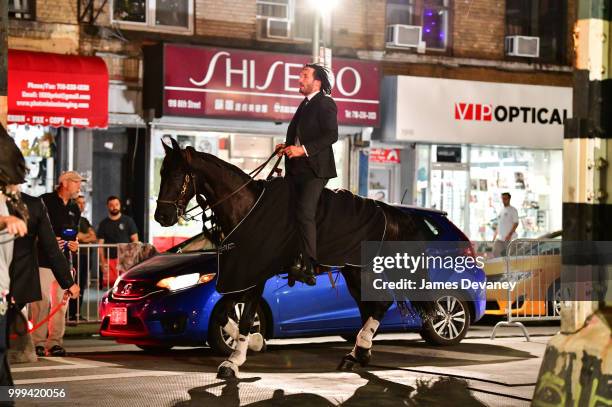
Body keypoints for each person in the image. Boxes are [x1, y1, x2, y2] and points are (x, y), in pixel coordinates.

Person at [275, 63, 338, 286]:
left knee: (304, 211)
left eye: (304, 75)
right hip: (297, 168)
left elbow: (332, 135)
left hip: (316, 169)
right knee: (283, 207)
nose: (299, 79)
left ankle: (310, 263)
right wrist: (287, 146)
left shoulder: (325, 103)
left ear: (317, 82)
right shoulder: (305, 104)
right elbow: (301, 136)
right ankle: (290, 256)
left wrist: (301, 150)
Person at [30, 171, 83, 357]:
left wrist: (75, 245)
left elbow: (74, 232)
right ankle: (37, 342)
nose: (80, 186)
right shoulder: (44, 201)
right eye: (77, 182)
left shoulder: (75, 207)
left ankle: (54, 343)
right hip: (43, 261)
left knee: (61, 306)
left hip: (65, 262)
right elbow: (32, 229)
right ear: (65, 183)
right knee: (41, 303)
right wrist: (48, 241)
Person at [97, 196, 139, 287]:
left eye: (116, 204)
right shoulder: (103, 224)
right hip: (110, 260)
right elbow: (100, 245)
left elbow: (135, 240)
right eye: (111, 205)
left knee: (126, 285)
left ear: (120, 205)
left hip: (126, 259)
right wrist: (102, 262)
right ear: (107, 207)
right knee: (111, 285)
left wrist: (133, 258)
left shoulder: (128, 221)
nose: (114, 207)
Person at [68, 195, 97, 322]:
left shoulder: (84, 220)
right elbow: (76, 235)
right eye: (79, 203)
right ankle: (69, 313)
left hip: (85, 256)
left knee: (82, 284)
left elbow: (93, 236)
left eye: (83, 203)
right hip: (73, 257)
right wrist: (84, 237)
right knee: (71, 284)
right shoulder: (70, 219)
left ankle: (77, 313)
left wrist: (83, 237)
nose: (81, 205)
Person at [492, 192, 519, 257]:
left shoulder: (513, 210)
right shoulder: (501, 210)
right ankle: (499, 266)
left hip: (510, 239)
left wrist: (509, 235)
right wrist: (494, 237)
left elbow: (516, 223)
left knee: (509, 257)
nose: (504, 200)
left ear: (509, 199)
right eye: (503, 198)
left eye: (505, 198)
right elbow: (499, 225)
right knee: (495, 253)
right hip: (500, 239)